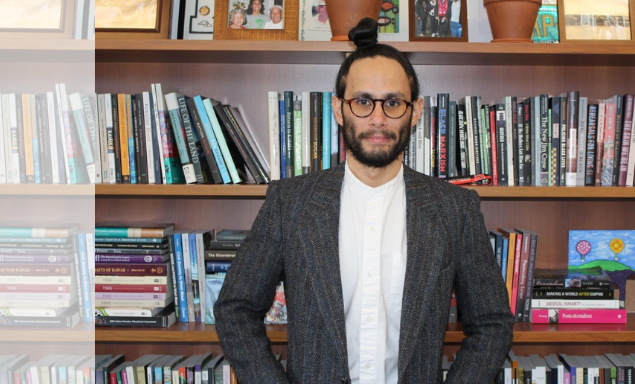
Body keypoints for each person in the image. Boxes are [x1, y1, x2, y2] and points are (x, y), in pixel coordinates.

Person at [214, 17, 514, 384]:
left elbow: (492, 324)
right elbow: (235, 310)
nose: (377, 119)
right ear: (340, 110)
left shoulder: (455, 209)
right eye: (362, 102)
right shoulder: (289, 202)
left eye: (392, 102)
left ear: (415, 111)